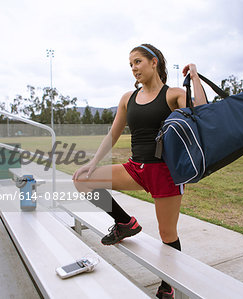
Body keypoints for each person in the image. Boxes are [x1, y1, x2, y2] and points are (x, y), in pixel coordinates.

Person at [73, 44, 207, 299]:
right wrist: (93, 163)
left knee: (167, 234)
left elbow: (201, 112)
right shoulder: (128, 98)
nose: (133, 68)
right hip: (135, 168)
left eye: (138, 62)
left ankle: (168, 284)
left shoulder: (173, 94)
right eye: (131, 64)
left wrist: (196, 77)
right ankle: (125, 222)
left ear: (153, 62)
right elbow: (113, 133)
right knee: (82, 180)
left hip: (166, 174)